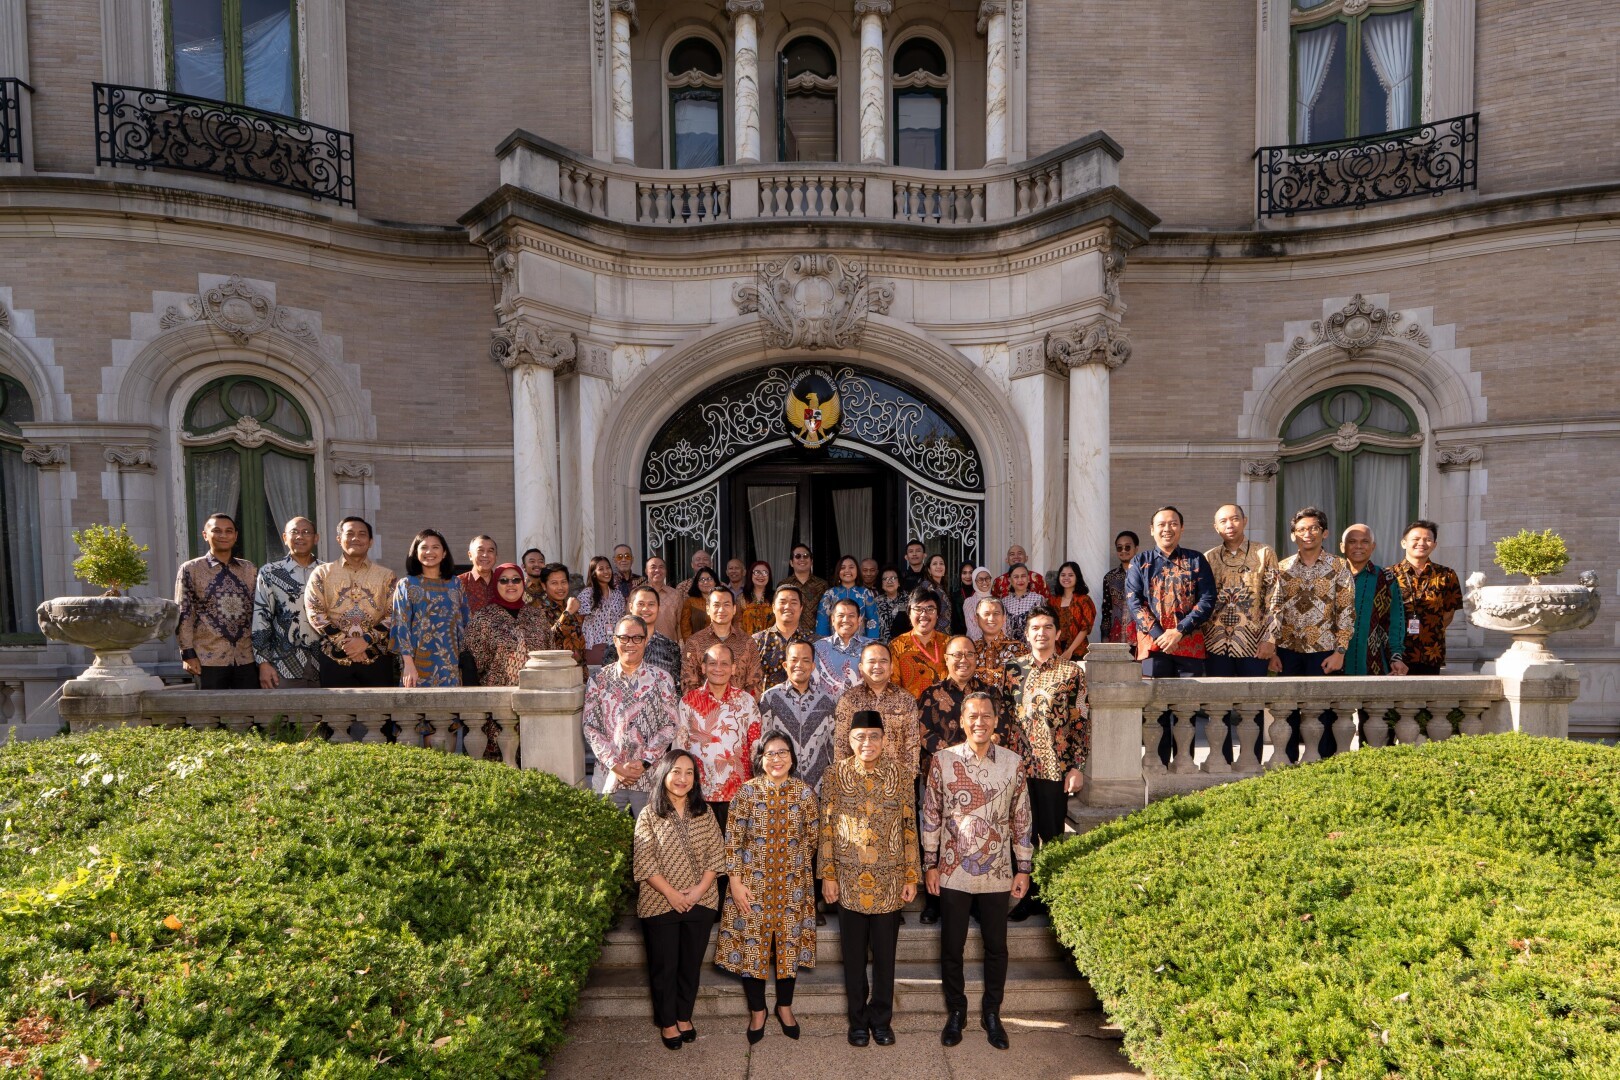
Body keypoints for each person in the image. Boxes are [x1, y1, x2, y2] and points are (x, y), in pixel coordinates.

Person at [923, 692, 1033, 1052]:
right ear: (962, 719)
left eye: (986, 715)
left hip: (998, 870)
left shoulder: (1013, 763)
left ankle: (992, 1014)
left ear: (996, 720)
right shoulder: (943, 760)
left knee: (996, 947)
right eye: (973, 715)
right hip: (953, 870)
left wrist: (1024, 867)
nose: (980, 722)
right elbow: (932, 815)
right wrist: (930, 863)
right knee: (951, 947)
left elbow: (1021, 819)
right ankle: (957, 1012)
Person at [820, 711, 920, 1048]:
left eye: (874, 736)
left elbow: (909, 826)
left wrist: (911, 875)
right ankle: (857, 1021)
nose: (867, 743)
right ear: (849, 740)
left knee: (885, 956)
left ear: (884, 739)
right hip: (848, 880)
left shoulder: (901, 775)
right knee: (853, 955)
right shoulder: (835, 774)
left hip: (890, 880)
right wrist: (828, 876)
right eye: (860, 737)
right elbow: (827, 827)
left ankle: (881, 1020)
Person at [716, 732, 819, 1045]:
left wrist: (796, 869)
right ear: (760, 759)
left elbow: (812, 839)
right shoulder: (747, 792)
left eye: (783, 752)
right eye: (770, 753)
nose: (777, 759)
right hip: (752, 885)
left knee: (788, 945)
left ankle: (784, 1007)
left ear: (792, 757)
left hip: (792, 885)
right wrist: (735, 881)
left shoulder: (804, 793)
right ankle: (758, 1011)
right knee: (753, 948)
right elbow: (732, 839)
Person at [915, 637, 1023, 925]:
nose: (962, 660)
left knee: (982, 835)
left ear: (976, 658)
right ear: (946, 659)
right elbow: (922, 731)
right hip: (943, 776)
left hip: (988, 777)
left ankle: (979, 901)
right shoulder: (931, 693)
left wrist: (981, 744)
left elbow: (1003, 727)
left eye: (969, 654)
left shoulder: (990, 693)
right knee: (937, 831)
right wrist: (954, 758)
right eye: (956, 655)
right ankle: (934, 901)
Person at [634, 749, 724, 1051]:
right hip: (660, 903)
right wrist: (672, 894)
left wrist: (698, 891)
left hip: (700, 900)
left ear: (695, 779)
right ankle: (668, 1021)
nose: (682, 778)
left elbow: (717, 853)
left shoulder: (705, 811)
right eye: (676, 771)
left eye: (689, 773)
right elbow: (644, 863)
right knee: (665, 966)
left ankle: (684, 1015)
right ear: (664, 775)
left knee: (689, 965)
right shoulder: (649, 814)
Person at [1005, 609, 1088, 920]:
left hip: (1055, 766)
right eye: (1035, 628)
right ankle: (1026, 894)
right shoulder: (1012, 669)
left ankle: (1052, 894)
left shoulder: (1071, 673)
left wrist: (1077, 766)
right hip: (1018, 766)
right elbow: (1003, 716)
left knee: (1051, 834)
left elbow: (1081, 723)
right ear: (1027, 634)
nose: (1041, 633)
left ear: (1057, 633)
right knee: (1022, 831)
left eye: (1047, 627)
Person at [582, 614, 679, 816]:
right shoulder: (599, 680)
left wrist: (643, 762)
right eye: (624, 638)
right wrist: (615, 765)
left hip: (649, 777)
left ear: (645, 641)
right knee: (608, 841)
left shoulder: (662, 679)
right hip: (608, 777)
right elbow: (590, 727)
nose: (630, 644)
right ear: (615, 640)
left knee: (649, 842)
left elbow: (670, 725)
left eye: (637, 638)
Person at [676, 642, 763, 832]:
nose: (718, 669)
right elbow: (680, 749)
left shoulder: (746, 701)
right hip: (698, 794)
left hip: (738, 794)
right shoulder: (688, 702)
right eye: (713, 663)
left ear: (733, 669)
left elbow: (756, 746)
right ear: (703, 667)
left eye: (724, 664)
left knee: (734, 853)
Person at [306, 516, 398, 688]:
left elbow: (394, 614)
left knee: (378, 713)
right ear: (339, 539)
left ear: (370, 541)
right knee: (336, 713)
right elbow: (315, 612)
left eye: (362, 534)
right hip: (334, 658)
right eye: (350, 534)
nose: (356, 538)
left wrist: (365, 641)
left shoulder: (387, 576)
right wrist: (347, 644)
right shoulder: (322, 573)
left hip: (376, 657)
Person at [1125, 507, 1217, 677]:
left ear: (1182, 527)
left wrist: (1179, 631)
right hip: (1153, 645)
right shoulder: (1139, 561)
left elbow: (1207, 599)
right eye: (1161, 524)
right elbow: (1134, 602)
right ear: (1152, 529)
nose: (1167, 529)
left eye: (1173, 524)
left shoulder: (1196, 560)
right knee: (1154, 701)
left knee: (1188, 702)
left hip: (1188, 643)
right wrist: (1161, 636)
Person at [1269, 506, 1355, 677]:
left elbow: (1346, 610)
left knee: (1320, 704)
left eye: (1314, 528)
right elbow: (1273, 609)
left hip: (1324, 651)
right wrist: (1273, 652)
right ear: (1293, 535)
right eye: (1301, 529)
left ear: (1325, 533)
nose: (1307, 533)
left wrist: (1339, 653)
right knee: (1287, 703)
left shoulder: (1338, 566)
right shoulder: (1282, 568)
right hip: (1287, 650)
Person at [176, 512, 258, 688]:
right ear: (205, 535)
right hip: (207, 657)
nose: (223, 535)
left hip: (246, 657)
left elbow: (258, 612)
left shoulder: (249, 569)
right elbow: (184, 613)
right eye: (217, 530)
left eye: (229, 531)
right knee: (211, 712)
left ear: (235, 536)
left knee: (249, 712)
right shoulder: (191, 569)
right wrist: (187, 654)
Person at [1202, 505, 1279, 677]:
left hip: (1254, 644)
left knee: (1253, 702)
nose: (1230, 525)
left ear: (1244, 521)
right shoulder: (1209, 558)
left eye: (1235, 519)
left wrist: (1269, 639)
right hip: (1215, 643)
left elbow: (1274, 599)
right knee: (1219, 702)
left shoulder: (1264, 553)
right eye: (1223, 521)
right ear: (1216, 527)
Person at [391, 528, 472, 688]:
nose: (429, 552)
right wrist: (407, 664)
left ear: (444, 553)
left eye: (435, 547)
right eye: (424, 547)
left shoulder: (455, 584)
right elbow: (401, 626)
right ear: (415, 552)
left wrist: (463, 665)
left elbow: (465, 624)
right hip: (416, 665)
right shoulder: (406, 585)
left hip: (451, 665)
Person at [758, 640, 841, 794]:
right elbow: (762, 743)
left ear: (813, 666)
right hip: (780, 786)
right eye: (794, 660)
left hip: (819, 787)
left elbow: (834, 745)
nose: (799, 665)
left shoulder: (828, 700)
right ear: (785, 665)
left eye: (806, 660)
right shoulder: (770, 698)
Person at [833, 642, 922, 778]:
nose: (877, 666)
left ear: (892, 667)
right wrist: (845, 782)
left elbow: (912, 745)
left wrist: (906, 782)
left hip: (896, 784)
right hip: (858, 785)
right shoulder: (848, 700)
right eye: (872, 661)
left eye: (883, 661)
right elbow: (841, 746)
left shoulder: (906, 700)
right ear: (861, 668)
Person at [252, 515, 321, 689]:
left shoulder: (327, 572)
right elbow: (261, 619)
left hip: (325, 663)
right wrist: (263, 663)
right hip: (284, 664)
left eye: (306, 532)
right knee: (285, 716)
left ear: (316, 538)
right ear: (285, 537)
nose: (300, 536)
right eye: (294, 532)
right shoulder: (270, 573)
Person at [1390, 519, 1464, 675]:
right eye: (1416, 539)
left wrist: (1429, 629)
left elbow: (1449, 613)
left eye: (1428, 539)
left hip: (1431, 652)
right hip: (1395, 654)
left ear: (1434, 545)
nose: (1421, 543)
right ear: (1404, 543)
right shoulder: (1389, 575)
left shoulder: (1446, 575)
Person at [466, 563, 551, 686]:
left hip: (537, 692)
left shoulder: (537, 616)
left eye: (516, 579)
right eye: (504, 580)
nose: (510, 584)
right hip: (496, 696)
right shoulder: (482, 618)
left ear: (523, 583)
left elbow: (549, 653)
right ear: (496, 584)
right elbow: (470, 664)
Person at [1340, 524, 1408, 677]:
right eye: (1352, 541)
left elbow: (1394, 622)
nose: (1358, 546)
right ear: (1342, 547)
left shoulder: (1386, 578)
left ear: (1373, 547)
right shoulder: (1330, 577)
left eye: (1365, 542)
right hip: (1330, 662)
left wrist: (1396, 656)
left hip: (1372, 663)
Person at [678, 586, 763, 695]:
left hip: (740, 709)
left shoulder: (748, 642)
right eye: (716, 605)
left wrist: (739, 707)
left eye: (726, 605)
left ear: (734, 609)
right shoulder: (694, 642)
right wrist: (709, 708)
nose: (721, 610)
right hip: (703, 709)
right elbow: (688, 683)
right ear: (708, 609)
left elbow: (755, 683)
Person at [602, 584, 683, 685]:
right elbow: (606, 682)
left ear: (658, 608)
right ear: (631, 607)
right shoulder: (616, 646)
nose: (645, 609)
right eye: (641, 604)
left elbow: (676, 687)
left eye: (651, 604)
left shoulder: (671, 648)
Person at [752, 584, 817, 693]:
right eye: (782, 602)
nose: (788, 607)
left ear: (801, 608)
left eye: (793, 603)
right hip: (767, 706)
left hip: (806, 706)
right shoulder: (757, 641)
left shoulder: (815, 641)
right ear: (773, 607)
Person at [889, 588, 948, 699]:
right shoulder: (897, 646)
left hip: (945, 711)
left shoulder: (949, 644)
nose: (923, 614)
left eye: (930, 609)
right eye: (918, 609)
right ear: (909, 613)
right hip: (909, 712)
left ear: (938, 615)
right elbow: (893, 686)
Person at [972, 596, 1029, 695]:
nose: (991, 618)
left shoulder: (1019, 649)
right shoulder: (970, 650)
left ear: (1004, 618)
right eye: (986, 614)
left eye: (996, 614)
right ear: (976, 619)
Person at [814, 597, 872, 691]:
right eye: (841, 615)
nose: (846, 620)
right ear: (832, 620)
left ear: (859, 620)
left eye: (851, 616)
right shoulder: (817, 648)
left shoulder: (872, 647)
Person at [815, 555, 880, 638]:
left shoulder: (865, 593)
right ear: (838, 571)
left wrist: (871, 645)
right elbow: (822, 623)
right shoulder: (829, 594)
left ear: (857, 571)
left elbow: (872, 620)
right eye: (843, 568)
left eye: (851, 567)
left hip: (861, 645)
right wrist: (824, 646)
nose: (847, 571)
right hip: (834, 645)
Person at [534, 562, 586, 666]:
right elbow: (547, 639)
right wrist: (567, 613)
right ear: (544, 586)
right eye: (554, 583)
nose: (560, 587)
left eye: (563, 582)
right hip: (555, 670)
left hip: (578, 670)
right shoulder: (538, 611)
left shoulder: (571, 606)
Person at [579, 555, 626, 665]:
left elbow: (622, 621)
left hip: (615, 647)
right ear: (594, 573)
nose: (606, 571)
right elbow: (579, 620)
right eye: (601, 569)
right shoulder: (587, 594)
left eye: (608, 568)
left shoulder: (618, 595)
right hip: (593, 647)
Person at [1098, 530, 1139, 645]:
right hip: (1116, 637)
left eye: (1127, 547)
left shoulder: (1144, 575)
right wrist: (1105, 636)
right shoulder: (1110, 577)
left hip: (1140, 637)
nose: (1123, 551)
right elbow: (1106, 610)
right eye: (1119, 548)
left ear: (1136, 548)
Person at [1050, 561, 1096, 661]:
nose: (1066, 578)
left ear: (1077, 577)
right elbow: (1049, 626)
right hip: (1055, 650)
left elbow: (1085, 628)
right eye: (1063, 575)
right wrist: (1053, 649)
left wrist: (1070, 650)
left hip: (1078, 650)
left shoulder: (1084, 600)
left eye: (1070, 575)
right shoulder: (1053, 601)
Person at [642, 556, 684, 640]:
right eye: (653, 567)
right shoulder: (638, 594)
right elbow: (631, 620)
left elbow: (680, 623)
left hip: (669, 647)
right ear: (646, 571)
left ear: (666, 571)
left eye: (661, 567)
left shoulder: (675, 595)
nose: (657, 570)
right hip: (643, 646)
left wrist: (681, 644)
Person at [783, 543, 829, 619]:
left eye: (806, 556)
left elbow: (827, 612)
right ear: (791, 563)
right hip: (790, 630)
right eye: (798, 556)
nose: (802, 559)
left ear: (811, 561)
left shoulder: (822, 585)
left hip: (817, 630)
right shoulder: (784, 585)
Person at [999, 564, 1043, 641]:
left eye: (1023, 576)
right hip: (1009, 647)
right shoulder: (1004, 602)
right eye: (1016, 577)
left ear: (1028, 578)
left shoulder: (1038, 599)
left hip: (1032, 646)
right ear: (1009, 580)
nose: (1020, 580)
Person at [458, 535, 500, 612]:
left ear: (496, 556)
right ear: (470, 555)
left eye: (490, 551)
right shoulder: (458, 583)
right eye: (480, 550)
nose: (485, 555)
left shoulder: (503, 583)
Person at [677, 566, 718, 641]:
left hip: (721, 645)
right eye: (701, 579)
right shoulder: (690, 602)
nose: (705, 582)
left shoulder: (723, 600)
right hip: (697, 646)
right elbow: (685, 628)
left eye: (709, 579)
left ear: (715, 582)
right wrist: (692, 645)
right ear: (697, 583)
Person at [738, 560, 776, 634]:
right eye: (757, 572)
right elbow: (737, 624)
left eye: (765, 572)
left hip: (771, 643)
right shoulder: (742, 598)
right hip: (747, 642)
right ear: (751, 575)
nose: (761, 575)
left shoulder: (776, 597)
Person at [873, 566, 907, 644]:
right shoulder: (875, 602)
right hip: (881, 648)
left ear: (899, 582)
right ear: (881, 583)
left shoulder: (909, 601)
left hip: (905, 646)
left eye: (893, 578)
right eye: (885, 579)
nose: (889, 581)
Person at [950, 561, 977, 640]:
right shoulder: (954, 596)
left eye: (971, 573)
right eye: (964, 573)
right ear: (960, 575)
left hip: (978, 638)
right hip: (959, 638)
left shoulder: (980, 594)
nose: (968, 576)